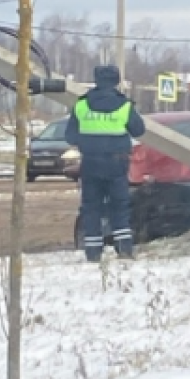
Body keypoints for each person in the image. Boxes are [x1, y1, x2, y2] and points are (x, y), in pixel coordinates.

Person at [66, 65, 146, 262]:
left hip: (91, 162)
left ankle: (93, 252)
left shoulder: (81, 105)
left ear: (96, 80)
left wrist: (90, 141)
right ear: (117, 81)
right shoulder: (125, 106)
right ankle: (124, 249)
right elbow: (138, 130)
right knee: (119, 205)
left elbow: (70, 136)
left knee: (91, 206)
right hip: (116, 162)